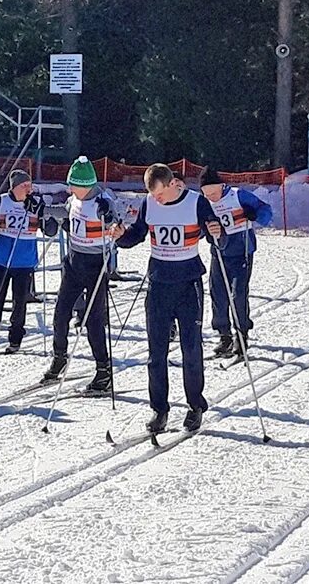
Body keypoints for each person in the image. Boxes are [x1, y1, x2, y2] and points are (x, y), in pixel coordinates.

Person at [109, 163, 225, 434]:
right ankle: (159, 409)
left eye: (160, 194)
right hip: (159, 283)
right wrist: (121, 236)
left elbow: (213, 231)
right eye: (153, 195)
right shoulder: (149, 203)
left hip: (188, 283)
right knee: (156, 352)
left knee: (191, 349)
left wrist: (216, 232)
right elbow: (137, 234)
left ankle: (195, 406)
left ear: (173, 184)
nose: (157, 199)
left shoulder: (196, 202)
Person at [40, 156, 119, 393]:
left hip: (96, 263)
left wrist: (108, 217)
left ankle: (103, 372)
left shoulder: (103, 200)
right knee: (61, 311)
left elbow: (115, 222)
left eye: (73, 185)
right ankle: (59, 357)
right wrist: (42, 210)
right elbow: (64, 213)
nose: (70, 189)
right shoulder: (74, 199)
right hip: (74, 261)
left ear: (86, 185)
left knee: (94, 321)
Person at [199, 167, 273, 357]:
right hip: (219, 253)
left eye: (214, 193)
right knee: (218, 294)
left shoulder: (238, 195)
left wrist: (255, 215)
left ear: (221, 186)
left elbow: (265, 209)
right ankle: (224, 335)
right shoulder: (204, 202)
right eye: (207, 195)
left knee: (238, 293)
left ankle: (242, 335)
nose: (212, 198)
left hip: (242, 251)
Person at [0, 170, 44, 354]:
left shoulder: (36, 203)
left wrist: (49, 222)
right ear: (14, 187)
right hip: (3, 259)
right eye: (24, 186)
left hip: (25, 261)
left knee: (19, 303)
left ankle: (15, 340)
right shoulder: (2, 201)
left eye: (30, 185)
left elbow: (47, 227)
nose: (29, 189)